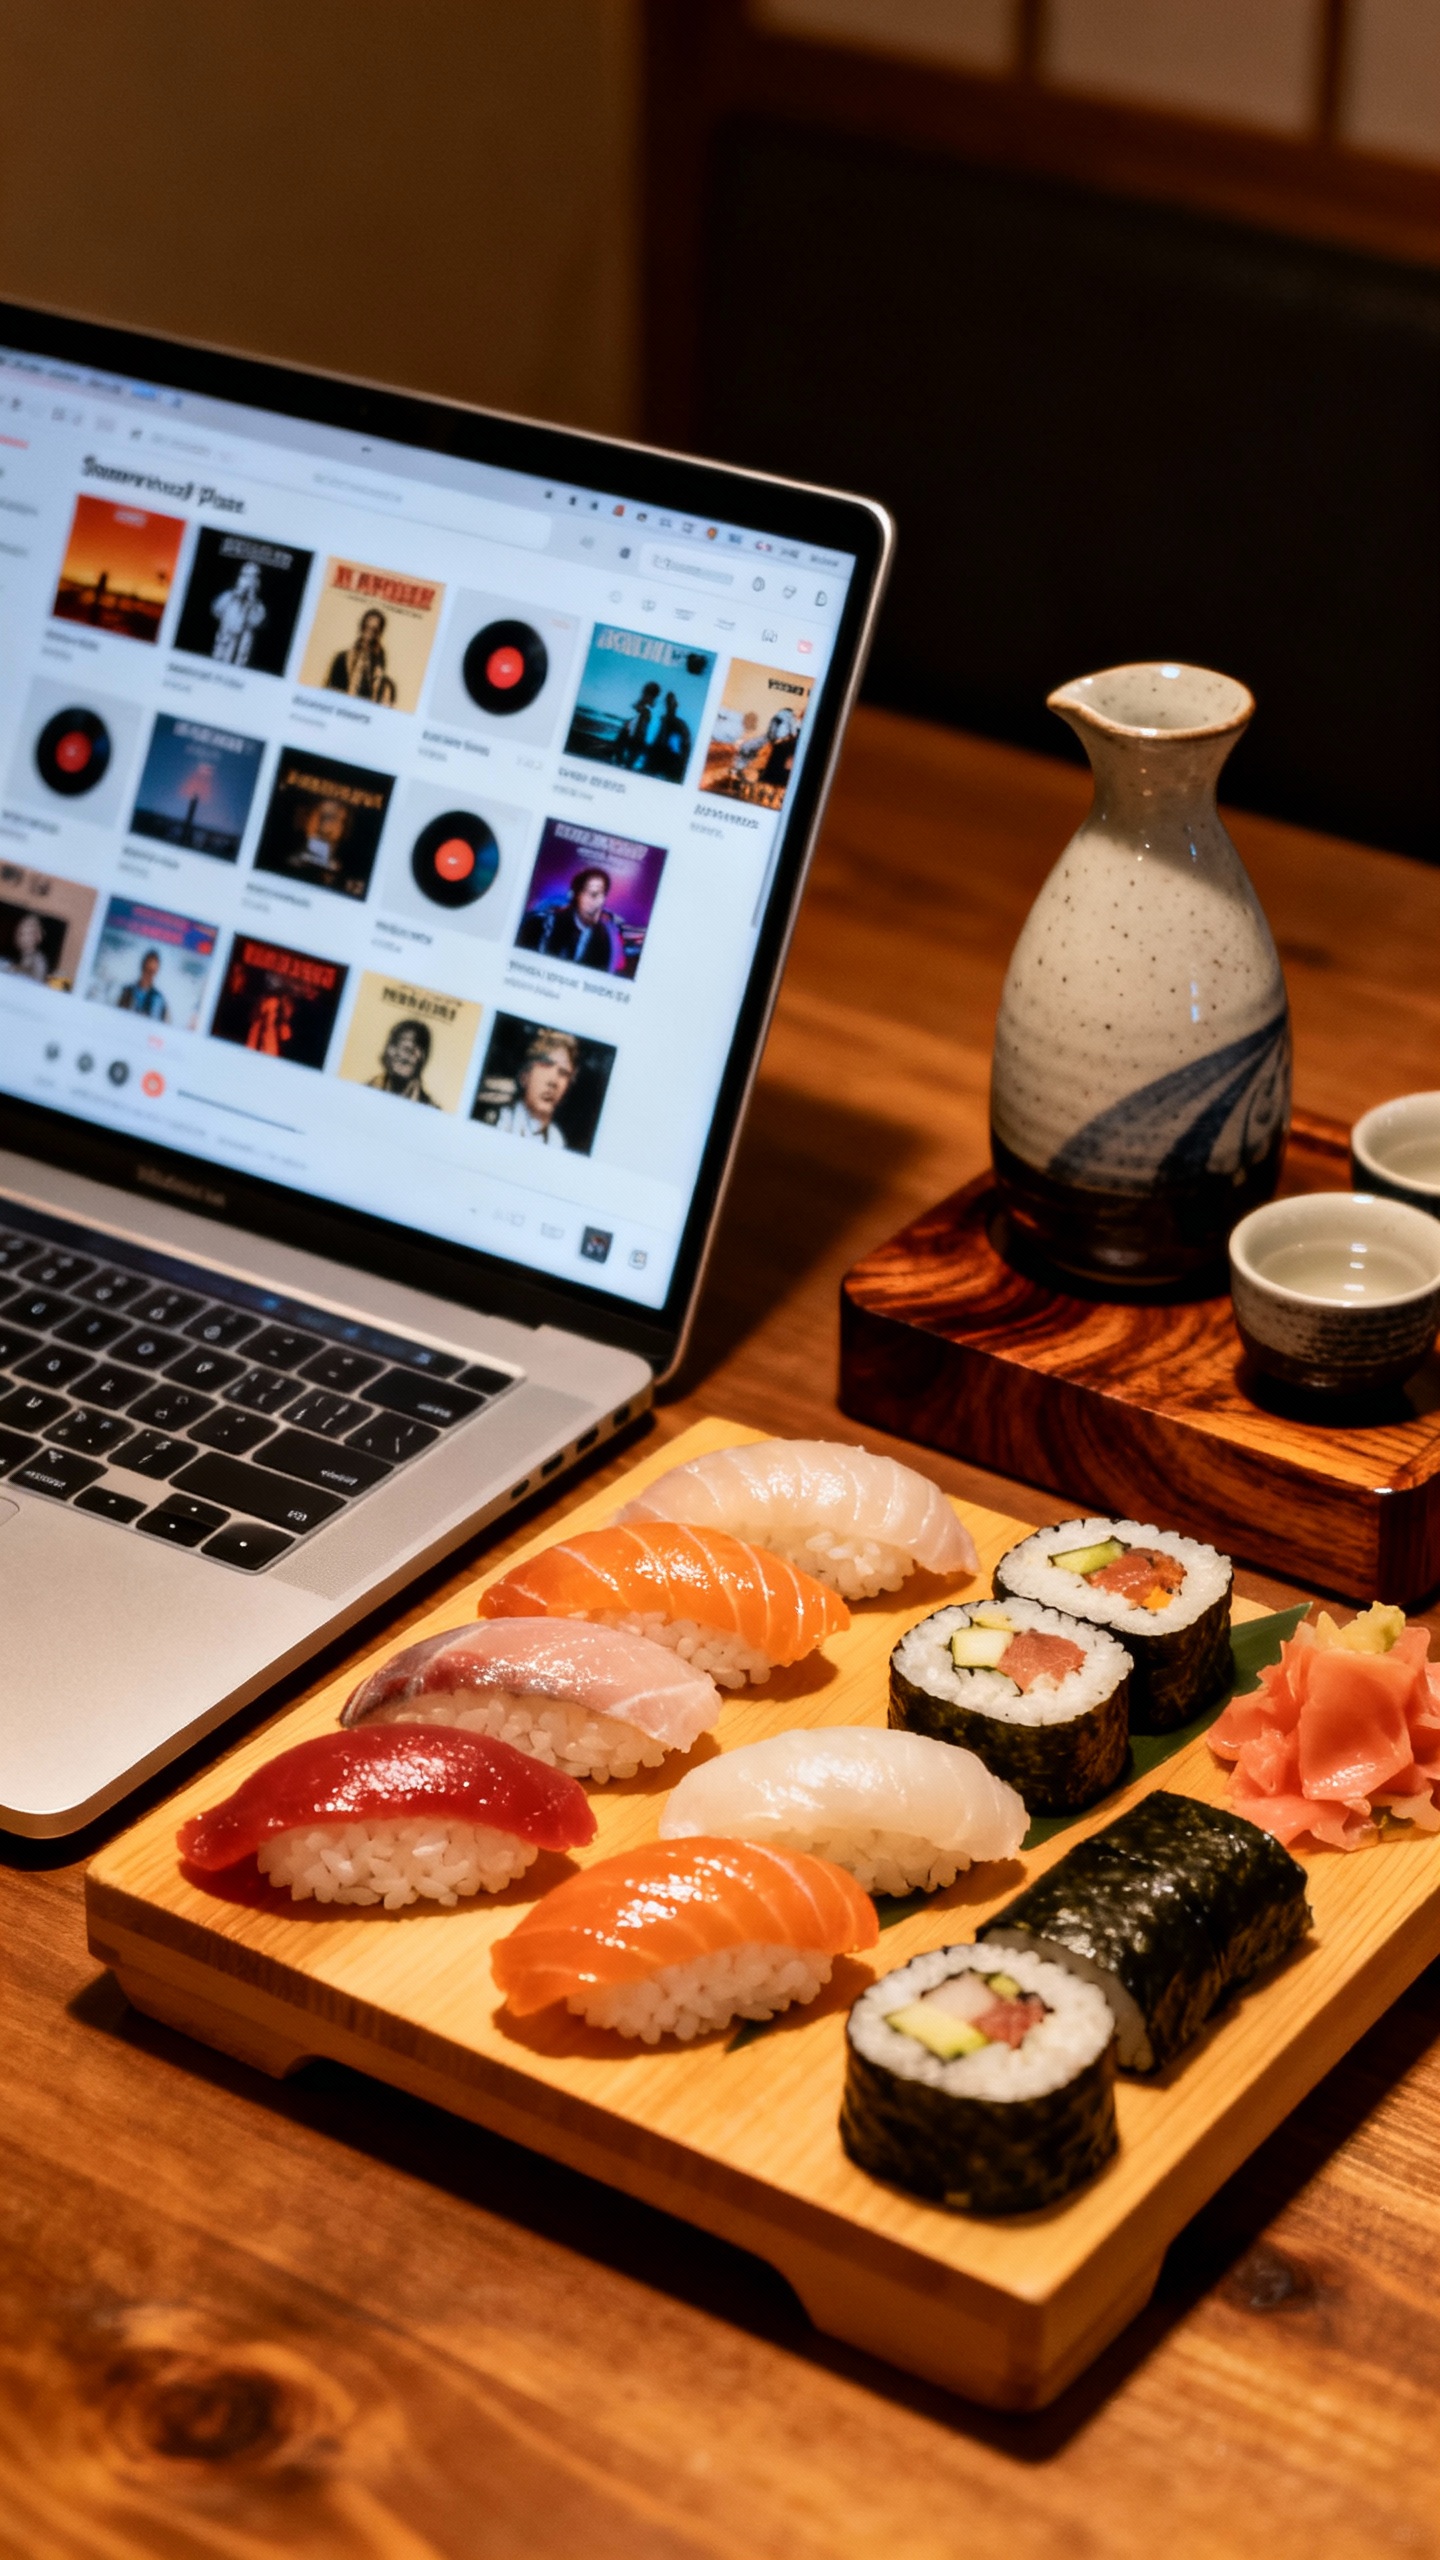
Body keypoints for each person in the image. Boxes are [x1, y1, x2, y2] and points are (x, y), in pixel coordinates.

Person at [516, 866, 625, 973]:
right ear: (576, 895)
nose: (599, 902)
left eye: (603, 895)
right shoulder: (541, 924)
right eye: (593, 894)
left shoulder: (604, 939)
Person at [488, 1030, 579, 1146]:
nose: (553, 1081)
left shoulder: (557, 1140)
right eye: (546, 1066)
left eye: (563, 1073)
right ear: (524, 1076)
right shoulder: (499, 1121)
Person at [326, 607, 397, 705]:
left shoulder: (379, 668)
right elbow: (330, 693)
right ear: (361, 627)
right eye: (366, 627)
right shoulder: (342, 658)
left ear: (379, 634)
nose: (369, 634)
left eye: (374, 630)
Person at [367, 1017, 439, 1106]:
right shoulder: (364, 1091)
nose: (403, 1053)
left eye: (414, 1048)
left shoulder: (430, 1109)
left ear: (423, 1059)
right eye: (396, 1043)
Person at [210, 558, 266, 666]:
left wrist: (251, 599)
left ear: (257, 582)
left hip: (241, 651)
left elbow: (255, 622)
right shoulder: (228, 596)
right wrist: (236, 595)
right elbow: (216, 610)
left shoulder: (258, 606)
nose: (248, 581)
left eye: (252, 577)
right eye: (245, 576)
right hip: (223, 645)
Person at [614, 679, 659, 768]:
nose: (643, 695)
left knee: (628, 761)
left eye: (645, 694)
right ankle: (623, 762)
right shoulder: (642, 709)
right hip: (636, 740)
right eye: (644, 693)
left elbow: (641, 730)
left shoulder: (646, 711)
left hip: (637, 741)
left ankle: (623, 762)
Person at [118, 948, 168, 1021]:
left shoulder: (159, 999)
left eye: (152, 972)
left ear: (156, 972)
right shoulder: (128, 991)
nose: (149, 975)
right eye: (147, 970)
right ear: (142, 966)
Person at [2, 910, 50, 982]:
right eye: (19, 932)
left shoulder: (37, 957)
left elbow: (26, 969)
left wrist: (14, 968)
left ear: (38, 936)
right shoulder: (25, 954)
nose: (19, 937)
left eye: (24, 934)